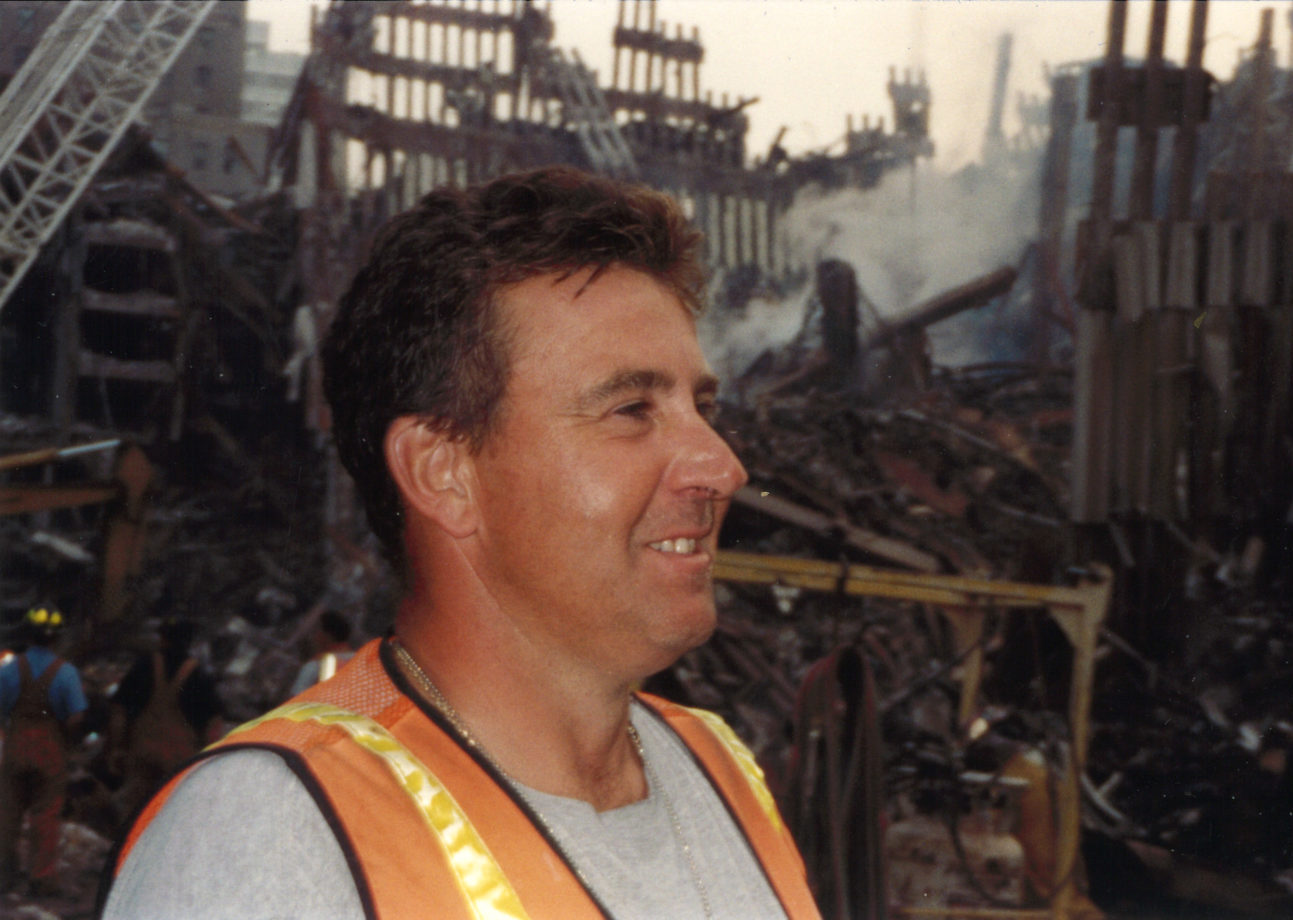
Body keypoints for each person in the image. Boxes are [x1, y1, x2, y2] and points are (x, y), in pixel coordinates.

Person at [101, 166, 819, 919]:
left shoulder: (721, 770)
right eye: (632, 409)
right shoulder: (270, 836)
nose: (723, 465)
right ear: (443, 472)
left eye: (701, 407)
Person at [0, 606, 88, 894]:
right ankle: (42, 877)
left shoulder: (10, 668)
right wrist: (66, 738)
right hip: (50, 749)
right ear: (57, 638)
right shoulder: (66, 672)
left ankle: (3, 873)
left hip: (16, 745)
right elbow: (76, 716)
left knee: (7, 813)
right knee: (46, 815)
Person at [106, 618, 225, 821]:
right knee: (164, 816)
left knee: (132, 814)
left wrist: (114, 748)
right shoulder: (200, 676)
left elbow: (119, 713)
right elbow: (213, 727)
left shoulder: (144, 666)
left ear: (162, 638)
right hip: (178, 763)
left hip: (142, 754)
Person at [287, 609, 357, 696]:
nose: (313, 636)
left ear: (325, 635)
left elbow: (295, 702)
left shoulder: (314, 666)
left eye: (316, 631)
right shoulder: (360, 663)